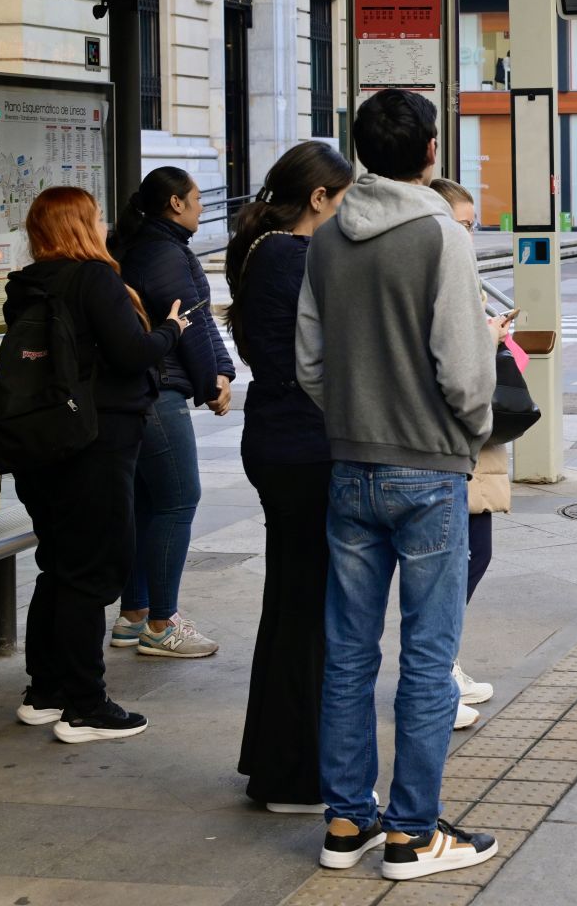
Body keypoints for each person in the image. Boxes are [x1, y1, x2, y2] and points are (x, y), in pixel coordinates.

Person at [295, 89, 500, 882]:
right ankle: (414, 834)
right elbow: (463, 363)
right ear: (430, 151)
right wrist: (468, 430)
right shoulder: (438, 233)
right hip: (429, 469)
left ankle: (347, 822)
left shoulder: (324, 240)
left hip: (350, 466)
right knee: (426, 654)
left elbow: (310, 365)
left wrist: (354, 419)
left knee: (347, 652)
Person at [6, 188, 189, 743]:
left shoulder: (26, 285)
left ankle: (45, 692)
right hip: (95, 440)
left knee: (58, 564)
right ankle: (86, 706)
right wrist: (171, 331)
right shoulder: (96, 280)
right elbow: (132, 353)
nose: (105, 222)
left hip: (40, 441)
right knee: (90, 573)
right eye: (96, 215)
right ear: (81, 225)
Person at [227, 142, 353, 813]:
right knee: (307, 611)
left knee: (290, 605)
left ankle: (269, 757)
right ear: (318, 198)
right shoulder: (294, 256)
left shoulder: (264, 249)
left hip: (278, 439)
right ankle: (290, 773)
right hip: (302, 445)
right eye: (343, 199)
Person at [110, 167, 233, 659]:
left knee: (149, 501)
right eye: (197, 198)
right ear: (175, 204)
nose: (203, 206)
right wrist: (213, 381)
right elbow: (191, 321)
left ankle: (134, 613)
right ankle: (162, 623)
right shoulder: (164, 252)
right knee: (180, 498)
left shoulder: (142, 244)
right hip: (159, 391)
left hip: (141, 389)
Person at [432, 178, 517, 710]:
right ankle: (437, 676)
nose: (471, 235)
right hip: (450, 441)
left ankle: (444, 666)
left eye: (474, 225)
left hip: (468, 443)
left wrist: (493, 335)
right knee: (452, 563)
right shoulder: (440, 276)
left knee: (472, 553)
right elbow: (456, 369)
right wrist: (486, 341)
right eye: (464, 225)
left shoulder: (462, 276)